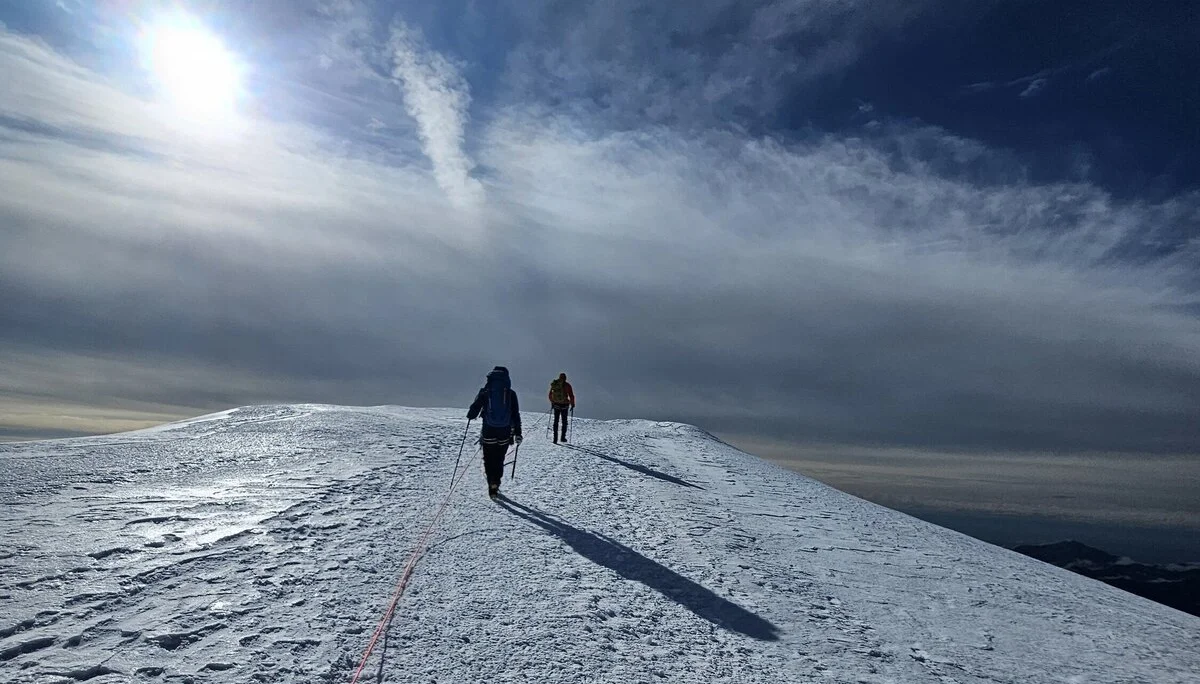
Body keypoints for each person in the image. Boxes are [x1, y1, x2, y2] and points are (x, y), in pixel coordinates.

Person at [468, 366, 522, 497]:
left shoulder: (485, 391)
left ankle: (491, 484)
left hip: (488, 430)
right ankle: (495, 483)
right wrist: (518, 433)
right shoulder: (511, 393)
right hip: (505, 432)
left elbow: (474, 409)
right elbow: (515, 414)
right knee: (499, 458)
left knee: (488, 458)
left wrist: (471, 415)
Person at [547, 372, 575, 444]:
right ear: (565, 378)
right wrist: (572, 404)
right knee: (564, 422)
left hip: (556, 405)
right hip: (564, 406)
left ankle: (555, 438)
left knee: (556, 421)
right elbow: (571, 395)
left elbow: (550, 394)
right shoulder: (567, 385)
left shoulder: (555, 384)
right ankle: (562, 438)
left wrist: (552, 402)